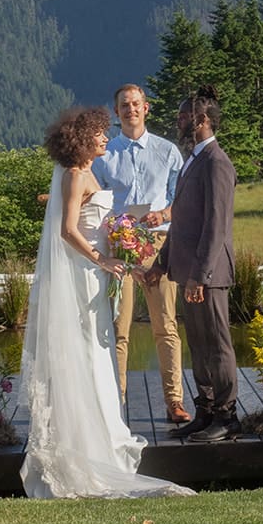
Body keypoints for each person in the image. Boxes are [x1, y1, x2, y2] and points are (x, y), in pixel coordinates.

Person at [19, 107, 195, 499]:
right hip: (83, 277)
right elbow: (67, 230)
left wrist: (121, 247)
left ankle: (100, 430)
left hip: (97, 275)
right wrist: (103, 258)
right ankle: (85, 442)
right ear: (82, 140)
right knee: (86, 351)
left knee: (97, 351)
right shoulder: (76, 175)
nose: (105, 138)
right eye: (99, 134)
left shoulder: (85, 173)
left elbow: (91, 224)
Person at [142, 87, 239, 443]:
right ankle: (206, 411)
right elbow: (182, 221)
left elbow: (216, 226)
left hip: (208, 276)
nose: (178, 120)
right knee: (198, 345)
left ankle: (227, 418)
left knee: (217, 345)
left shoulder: (217, 163)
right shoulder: (193, 161)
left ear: (201, 120)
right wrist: (161, 264)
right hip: (189, 273)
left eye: (184, 116)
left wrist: (200, 276)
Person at [92, 83, 188, 423]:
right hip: (119, 249)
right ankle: (115, 405)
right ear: (117, 113)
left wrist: (163, 214)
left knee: (166, 325)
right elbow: (94, 200)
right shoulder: (105, 155)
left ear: (146, 108)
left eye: (136, 103)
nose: (130, 109)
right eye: (124, 105)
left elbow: (184, 200)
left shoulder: (168, 151)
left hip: (159, 247)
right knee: (118, 329)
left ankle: (175, 402)